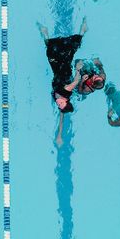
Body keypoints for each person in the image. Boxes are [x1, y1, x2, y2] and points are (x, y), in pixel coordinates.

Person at [38, 16, 88, 146]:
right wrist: (78, 70)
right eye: (61, 104)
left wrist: (59, 135)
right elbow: (76, 82)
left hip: (56, 69)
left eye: (59, 105)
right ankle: (83, 30)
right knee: (67, 49)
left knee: (50, 52)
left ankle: (45, 33)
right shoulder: (66, 91)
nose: (58, 104)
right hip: (64, 67)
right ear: (66, 100)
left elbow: (61, 118)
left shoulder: (61, 102)